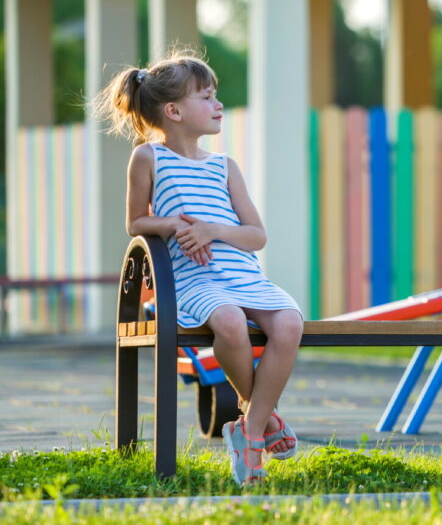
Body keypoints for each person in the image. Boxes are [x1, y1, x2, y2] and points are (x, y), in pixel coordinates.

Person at [94, 53, 303, 486]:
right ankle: (261, 427)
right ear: (174, 111)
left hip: (242, 273)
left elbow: (256, 235)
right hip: (193, 279)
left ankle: (248, 428)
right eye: (207, 97)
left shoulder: (225, 166)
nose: (218, 104)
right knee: (228, 320)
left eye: (216, 96)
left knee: (289, 322)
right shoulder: (149, 157)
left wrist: (211, 230)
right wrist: (172, 224)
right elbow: (136, 222)